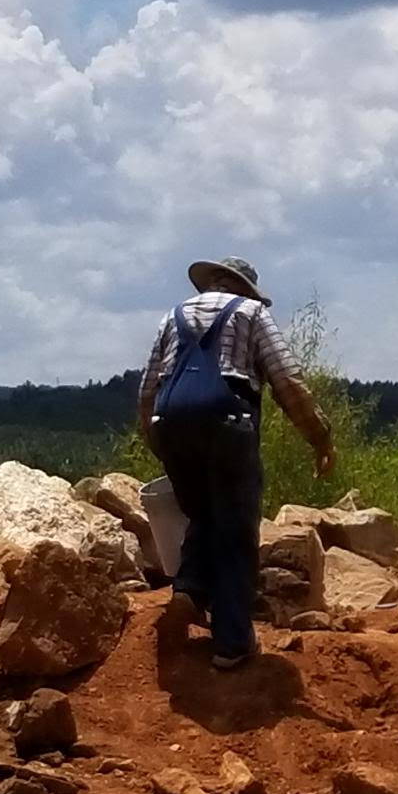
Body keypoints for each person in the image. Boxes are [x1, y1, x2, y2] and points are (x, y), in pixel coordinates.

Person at [138, 256, 335, 669]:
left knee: (203, 516)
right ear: (243, 288)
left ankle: (188, 592)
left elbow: (148, 389)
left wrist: (159, 443)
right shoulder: (251, 313)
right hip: (226, 422)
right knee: (235, 527)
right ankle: (232, 642)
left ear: (210, 283)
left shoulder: (172, 317)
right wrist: (320, 439)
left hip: (172, 422)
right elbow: (287, 381)